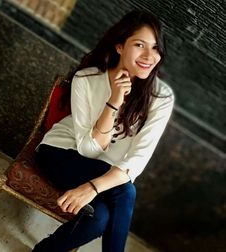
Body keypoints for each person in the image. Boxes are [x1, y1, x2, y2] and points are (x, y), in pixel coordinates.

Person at [32, 8, 174, 252]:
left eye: (155, 48)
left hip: (104, 171)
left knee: (99, 218)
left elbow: (136, 163)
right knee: (125, 192)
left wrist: (93, 186)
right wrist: (114, 102)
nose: (150, 56)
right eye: (140, 45)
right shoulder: (87, 80)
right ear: (119, 47)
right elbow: (88, 150)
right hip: (59, 152)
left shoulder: (161, 97)